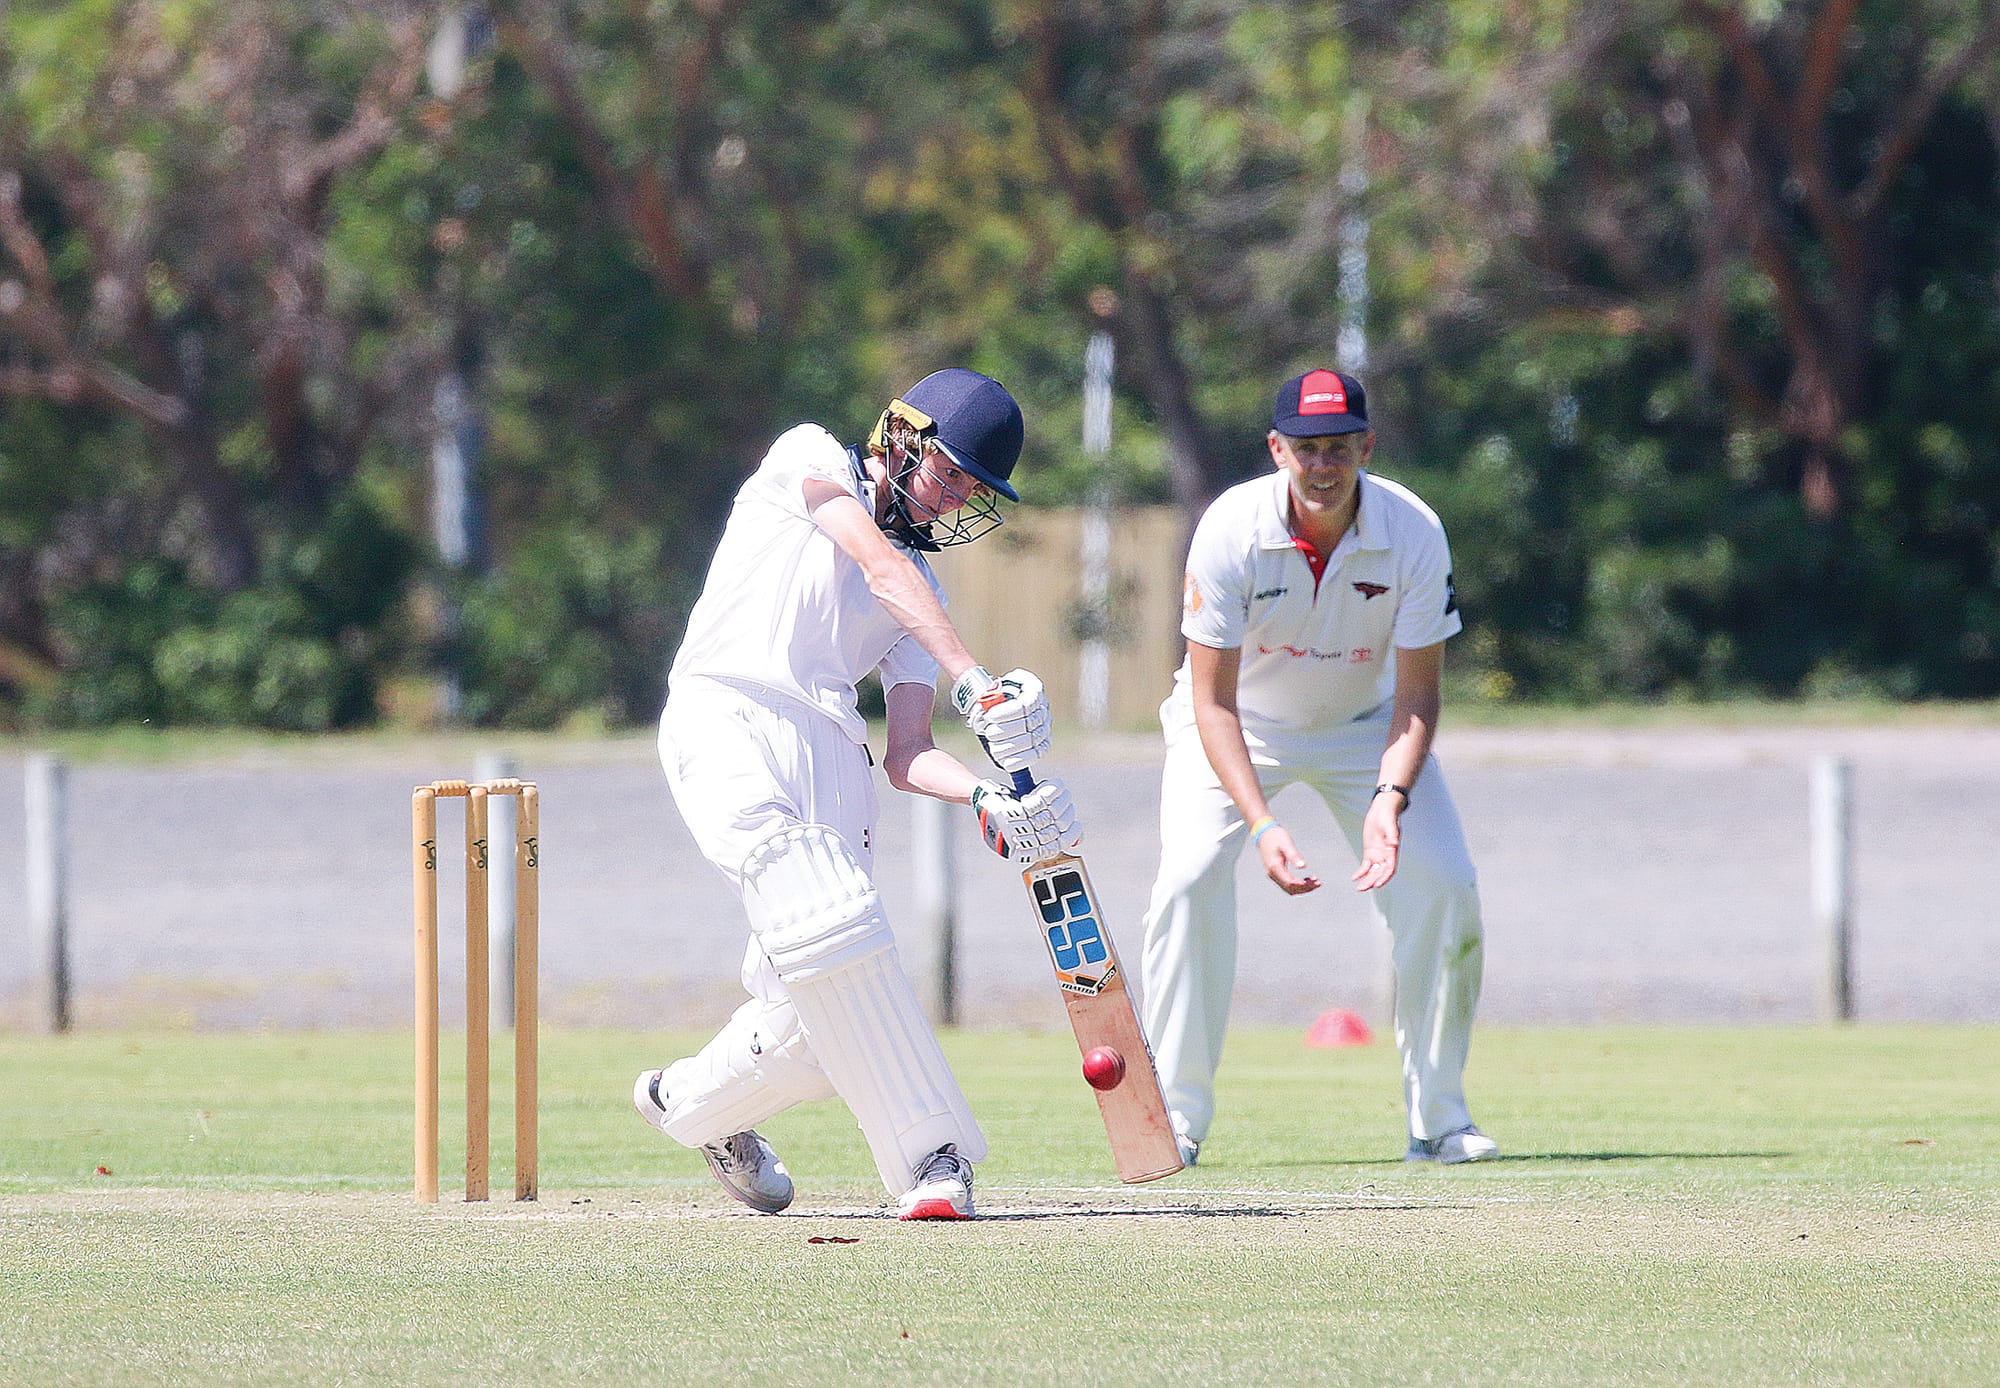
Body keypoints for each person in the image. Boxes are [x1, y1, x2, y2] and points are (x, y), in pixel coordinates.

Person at [634, 368, 1081, 1220]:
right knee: (826, 922)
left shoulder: (928, 592)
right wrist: (975, 680)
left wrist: (991, 799)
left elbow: (909, 754)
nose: (952, 501)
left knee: (816, 1019)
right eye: (948, 473)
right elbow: (875, 566)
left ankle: (687, 1102)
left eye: (970, 491)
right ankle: (933, 1159)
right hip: (726, 709)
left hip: (834, 752)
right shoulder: (806, 457)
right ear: (901, 437)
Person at [1138, 368, 1496, 1167]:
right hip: (1238, 727)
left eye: (1340, 447)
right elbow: (1212, 703)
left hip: (1369, 729)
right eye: (1306, 449)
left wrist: (1389, 797)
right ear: (1277, 451)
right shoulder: (1229, 529)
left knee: (1445, 883)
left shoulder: (1413, 531)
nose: (1323, 465)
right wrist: (1263, 822)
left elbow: (1419, 694)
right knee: (1191, 878)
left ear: (1367, 446)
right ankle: (1176, 1120)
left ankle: (1438, 1122)